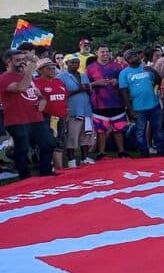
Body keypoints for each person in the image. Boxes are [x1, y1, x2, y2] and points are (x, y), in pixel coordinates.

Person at [0, 50, 56, 178]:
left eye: (23, 60)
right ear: (8, 62)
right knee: (22, 149)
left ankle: (46, 172)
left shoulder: (27, 76)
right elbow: (21, 88)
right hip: (17, 120)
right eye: (18, 60)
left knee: (48, 143)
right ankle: (25, 176)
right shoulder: (4, 78)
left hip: (36, 118)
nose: (22, 62)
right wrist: (30, 70)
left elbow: (38, 94)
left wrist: (42, 101)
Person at [119, 49, 164, 156]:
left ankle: (161, 151)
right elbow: (124, 93)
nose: (136, 57)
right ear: (127, 60)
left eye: (136, 55)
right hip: (138, 108)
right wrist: (130, 109)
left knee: (158, 130)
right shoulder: (124, 73)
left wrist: (153, 71)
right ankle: (144, 153)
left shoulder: (147, 68)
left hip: (154, 105)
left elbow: (159, 81)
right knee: (140, 132)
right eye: (132, 56)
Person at [87, 44, 127, 159]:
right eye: (102, 52)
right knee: (101, 130)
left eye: (107, 52)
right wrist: (96, 83)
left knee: (118, 128)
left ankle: (122, 151)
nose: (105, 54)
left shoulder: (118, 66)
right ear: (96, 53)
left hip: (117, 102)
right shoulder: (90, 68)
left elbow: (124, 82)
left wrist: (117, 81)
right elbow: (86, 85)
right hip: (99, 103)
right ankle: (101, 152)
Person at [59, 55, 95, 167]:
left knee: (86, 134)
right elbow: (62, 94)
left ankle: (85, 157)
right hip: (73, 110)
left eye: (77, 62)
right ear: (67, 63)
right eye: (72, 62)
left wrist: (88, 89)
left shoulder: (83, 75)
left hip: (86, 110)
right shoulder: (61, 76)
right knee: (72, 135)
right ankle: (71, 159)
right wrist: (79, 89)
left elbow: (90, 91)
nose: (75, 65)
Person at [36, 59, 69, 170]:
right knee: (49, 142)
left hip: (61, 117)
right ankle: (49, 166)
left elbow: (65, 97)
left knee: (60, 141)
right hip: (47, 117)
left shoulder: (59, 81)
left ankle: (59, 167)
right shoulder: (36, 83)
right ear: (40, 70)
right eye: (48, 68)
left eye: (53, 68)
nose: (52, 70)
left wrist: (66, 111)